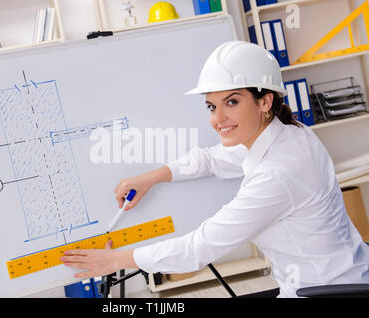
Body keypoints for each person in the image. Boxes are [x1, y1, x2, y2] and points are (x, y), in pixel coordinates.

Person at [61, 41, 369, 297]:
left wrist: (117, 259)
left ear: (264, 101)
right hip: (346, 275)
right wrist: (153, 177)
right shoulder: (290, 132)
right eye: (211, 106)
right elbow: (212, 159)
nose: (217, 118)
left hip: (323, 290)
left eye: (231, 102)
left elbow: (198, 248)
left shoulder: (276, 173)